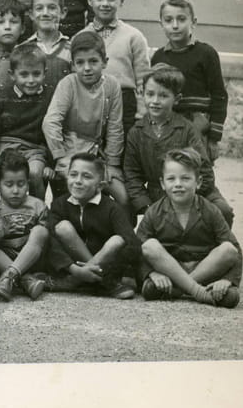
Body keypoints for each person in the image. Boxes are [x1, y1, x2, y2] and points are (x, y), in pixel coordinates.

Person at [124, 64, 233, 226]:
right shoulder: (136, 132)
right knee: (128, 209)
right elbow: (132, 174)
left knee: (223, 210)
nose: (155, 101)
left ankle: (215, 240)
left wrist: (185, 200)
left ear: (177, 99)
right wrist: (145, 204)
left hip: (191, 191)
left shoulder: (187, 129)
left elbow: (204, 171)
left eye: (163, 95)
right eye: (150, 94)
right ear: (142, 94)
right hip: (157, 195)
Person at [139, 148, 241, 308]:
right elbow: (136, 249)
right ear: (163, 183)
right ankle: (198, 291)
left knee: (228, 249)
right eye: (171, 179)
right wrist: (151, 273)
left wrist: (227, 279)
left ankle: (181, 289)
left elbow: (235, 250)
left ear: (198, 182)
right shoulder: (154, 212)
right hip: (171, 269)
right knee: (149, 246)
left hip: (205, 270)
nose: (178, 184)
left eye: (185, 178)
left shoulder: (211, 210)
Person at [42, 31, 129, 211]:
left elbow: (115, 127)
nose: (87, 68)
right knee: (81, 192)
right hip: (70, 152)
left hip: (97, 155)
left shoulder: (112, 85)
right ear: (73, 65)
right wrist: (60, 156)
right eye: (80, 63)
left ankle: (122, 228)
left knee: (123, 197)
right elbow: (51, 122)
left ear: (105, 62)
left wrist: (112, 164)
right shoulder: (68, 84)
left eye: (93, 61)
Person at [46, 153, 139, 299]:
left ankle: (78, 280)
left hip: (105, 263)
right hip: (73, 265)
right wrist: (74, 269)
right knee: (62, 227)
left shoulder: (112, 208)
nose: (78, 181)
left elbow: (132, 242)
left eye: (86, 176)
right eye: (73, 175)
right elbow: (51, 239)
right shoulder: (60, 204)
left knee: (117, 240)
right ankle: (103, 281)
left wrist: (114, 268)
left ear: (100, 186)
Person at [151, 0, 227, 163]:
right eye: (168, 20)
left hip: (197, 125)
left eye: (181, 19)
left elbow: (219, 95)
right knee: (168, 167)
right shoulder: (158, 57)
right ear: (161, 24)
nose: (175, 25)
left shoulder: (206, 54)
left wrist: (214, 138)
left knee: (197, 167)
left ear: (193, 22)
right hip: (168, 123)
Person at [79, 0, 150, 146]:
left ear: (121, 1)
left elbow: (143, 80)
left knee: (122, 150)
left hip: (125, 104)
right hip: (90, 102)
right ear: (89, 0)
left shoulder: (134, 36)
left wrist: (142, 114)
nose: (105, 3)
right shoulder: (80, 37)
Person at [0, 44, 55, 200]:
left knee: (35, 173)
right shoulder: (2, 95)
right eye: (24, 74)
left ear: (45, 73)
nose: (31, 80)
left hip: (35, 149)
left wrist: (50, 164)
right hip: (7, 146)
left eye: (36, 74)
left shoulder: (50, 96)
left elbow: (54, 131)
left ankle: (38, 209)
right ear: (12, 75)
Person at [0, 150, 49, 301]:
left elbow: (46, 239)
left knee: (40, 231)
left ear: (28, 183)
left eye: (21, 184)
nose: (15, 191)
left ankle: (11, 276)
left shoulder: (38, 206)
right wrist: (2, 231)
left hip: (32, 258)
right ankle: (26, 280)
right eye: (9, 185)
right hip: (4, 259)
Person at [16, 0, 72, 90]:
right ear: (31, 14)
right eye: (39, 8)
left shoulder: (71, 50)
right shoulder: (21, 50)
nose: (45, 13)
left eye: (52, 8)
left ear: (63, 12)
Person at [0, 0, 28, 90]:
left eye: (13, 22)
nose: (7, 27)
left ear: (22, 28)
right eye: (0, 22)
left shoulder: (29, 57)